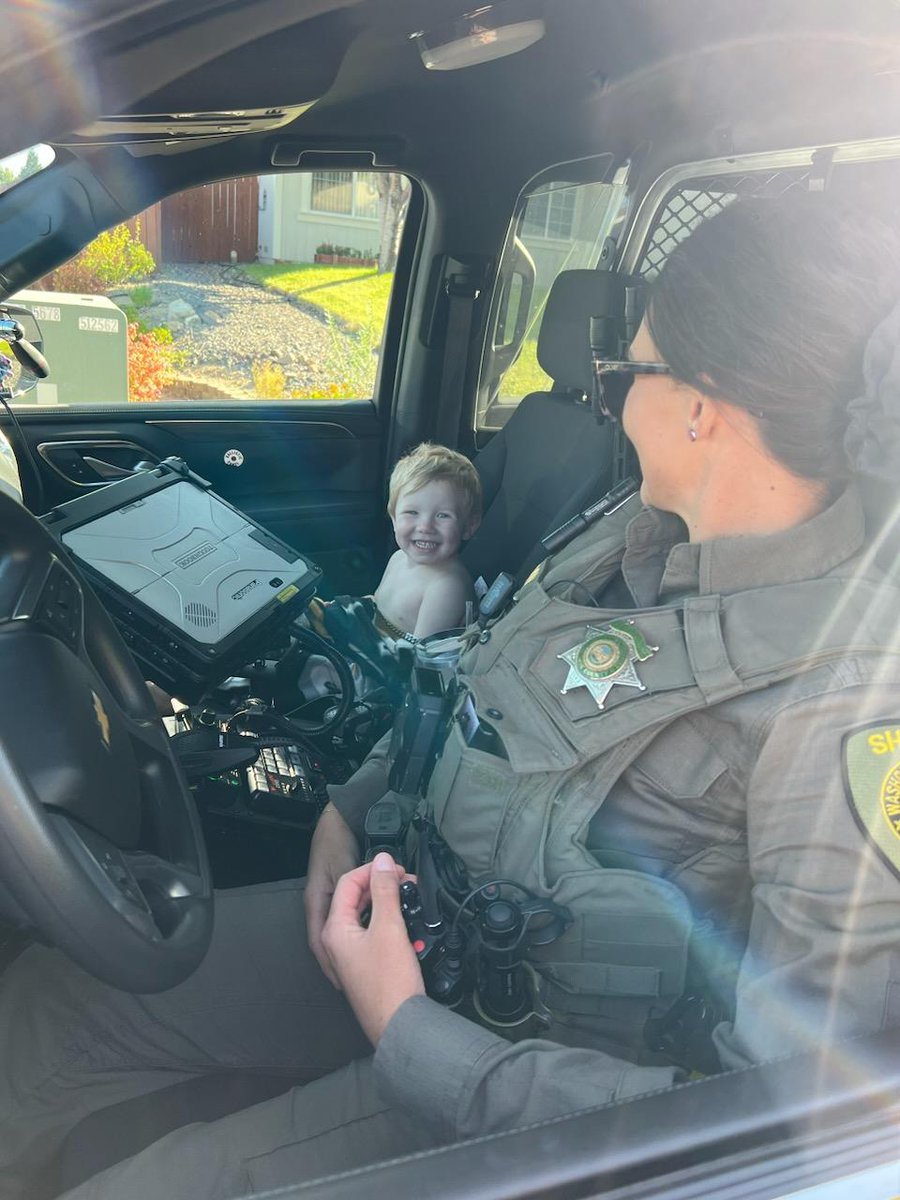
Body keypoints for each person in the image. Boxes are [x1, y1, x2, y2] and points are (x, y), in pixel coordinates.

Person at [3, 194, 900, 1200]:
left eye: (626, 371)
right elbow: (485, 689)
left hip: (507, 1075)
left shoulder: (848, 710)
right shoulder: (632, 532)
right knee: (57, 1002)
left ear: (703, 407)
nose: (608, 398)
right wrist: (345, 817)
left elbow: (770, 1127)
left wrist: (410, 1033)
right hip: (414, 917)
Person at [302, 442, 481, 697]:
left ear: (469, 526)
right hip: (370, 645)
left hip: (386, 677)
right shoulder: (399, 557)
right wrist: (336, 615)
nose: (425, 526)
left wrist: (350, 634)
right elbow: (377, 606)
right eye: (412, 513)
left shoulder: (446, 586)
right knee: (296, 628)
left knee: (311, 678)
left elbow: (418, 666)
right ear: (394, 517)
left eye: (443, 516)